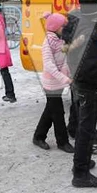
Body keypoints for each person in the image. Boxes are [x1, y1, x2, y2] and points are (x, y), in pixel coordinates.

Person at [67, 0, 97, 188]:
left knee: (83, 127)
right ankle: (81, 174)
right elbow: (88, 67)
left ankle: (82, 162)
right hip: (87, 86)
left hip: (78, 83)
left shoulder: (78, 25)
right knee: (86, 129)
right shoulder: (90, 33)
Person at [33, 12, 74, 153]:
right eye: (63, 26)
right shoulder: (48, 43)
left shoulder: (60, 40)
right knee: (58, 112)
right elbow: (49, 65)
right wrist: (64, 78)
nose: (65, 29)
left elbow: (64, 58)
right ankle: (62, 142)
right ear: (55, 27)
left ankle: (38, 136)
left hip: (59, 83)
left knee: (50, 110)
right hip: (50, 83)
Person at [64, 9, 97, 152]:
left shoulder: (73, 29)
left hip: (74, 73)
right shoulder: (86, 32)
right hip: (84, 78)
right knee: (87, 112)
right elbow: (89, 61)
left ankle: (73, 128)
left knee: (77, 103)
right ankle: (91, 140)